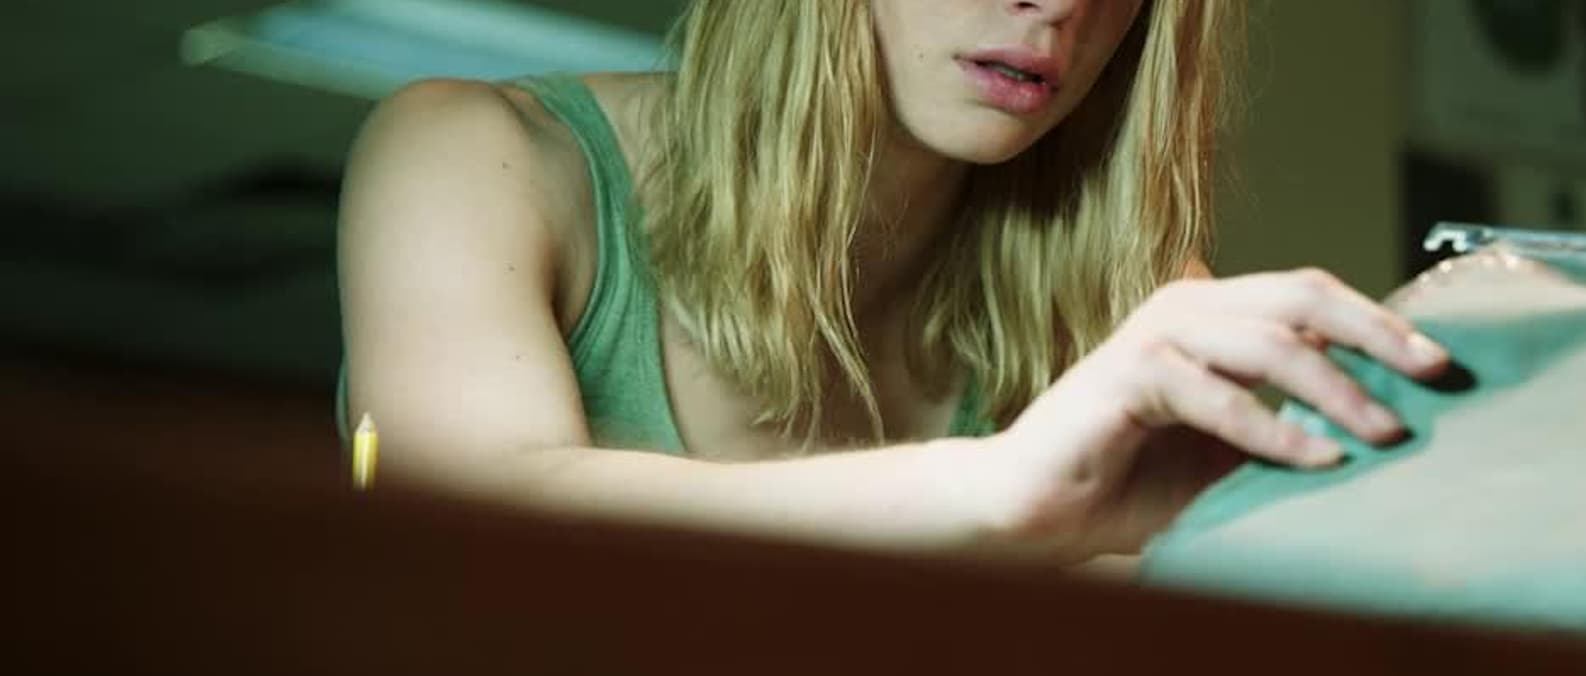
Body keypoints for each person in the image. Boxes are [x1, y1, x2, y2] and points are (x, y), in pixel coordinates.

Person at [336, 0, 1451, 567]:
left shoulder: (1120, 298)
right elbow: (461, 520)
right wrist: (999, 489)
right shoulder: (475, 156)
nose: (1056, 4)